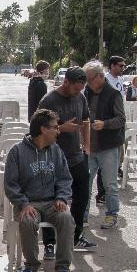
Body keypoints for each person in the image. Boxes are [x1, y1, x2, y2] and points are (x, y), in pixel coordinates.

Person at [4, 109, 75, 272]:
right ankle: (31, 264)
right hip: (29, 203)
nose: (58, 131)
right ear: (43, 129)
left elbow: (65, 178)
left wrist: (61, 197)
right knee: (27, 221)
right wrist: (22, 203)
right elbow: (10, 184)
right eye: (55, 128)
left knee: (66, 218)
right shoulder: (17, 152)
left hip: (52, 202)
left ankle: (63, 267)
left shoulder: (56, 151)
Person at [38, 66, 96, 253]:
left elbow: (86, 121)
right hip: (53, 158)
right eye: (75, 88)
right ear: (66, 82)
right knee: (52, 201)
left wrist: (87, 146)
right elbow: (38, 130)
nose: (78, 92)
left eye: (81, 88)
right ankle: (49, 242)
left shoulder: (81, 98)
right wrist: (62, 128)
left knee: (82, 197)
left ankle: (76, 236)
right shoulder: (49, 100)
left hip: (76, 156)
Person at [82, 60, 127, 230]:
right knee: (85, 182)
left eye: (90, 79)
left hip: (108, 146)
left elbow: (121, 120)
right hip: (89, 145)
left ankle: (111, 214)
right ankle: (83, 215)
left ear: (100, 77)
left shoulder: (113, 94)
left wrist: (105, 124)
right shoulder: (86, 92)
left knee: (110, 184)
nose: (88, 83)